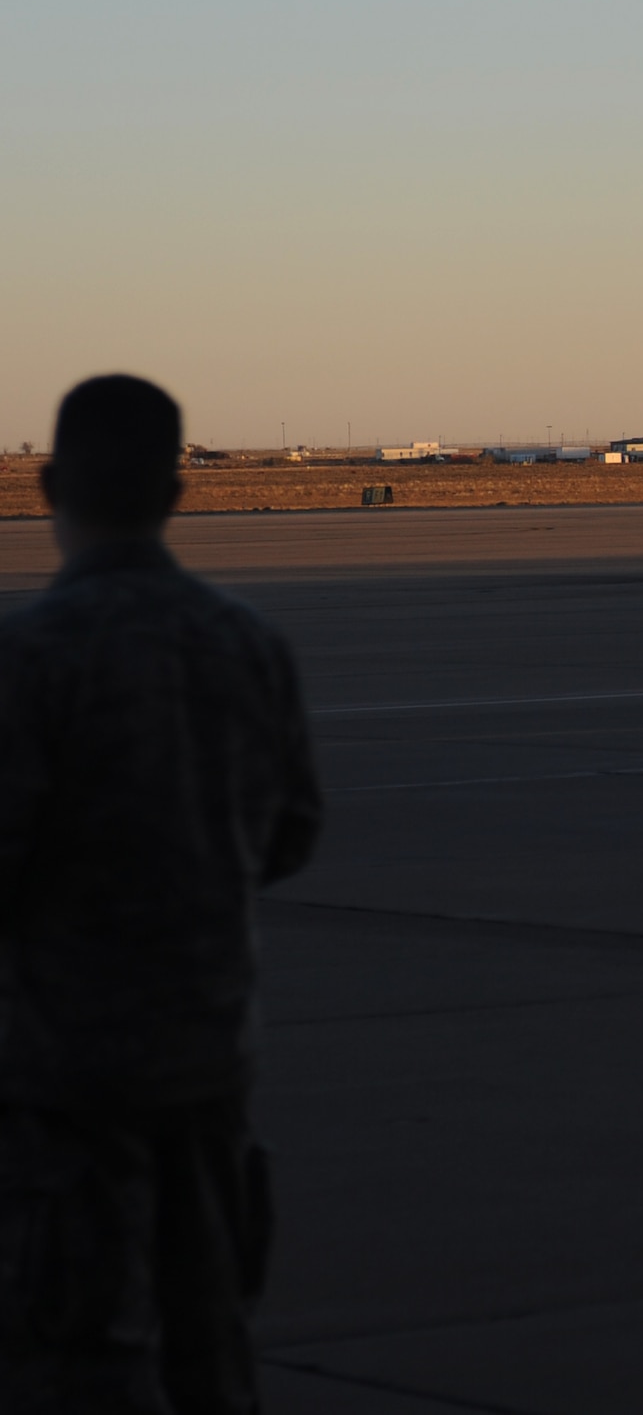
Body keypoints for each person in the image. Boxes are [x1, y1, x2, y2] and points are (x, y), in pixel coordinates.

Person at [0, 376, 321, 1412]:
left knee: (76, 1353)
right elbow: (290, 832)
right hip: (206, 1056)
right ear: (176, 490)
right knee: (209, 1335)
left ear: (49, 486)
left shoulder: (28, 656)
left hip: (65, 1077)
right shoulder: (246, 641)